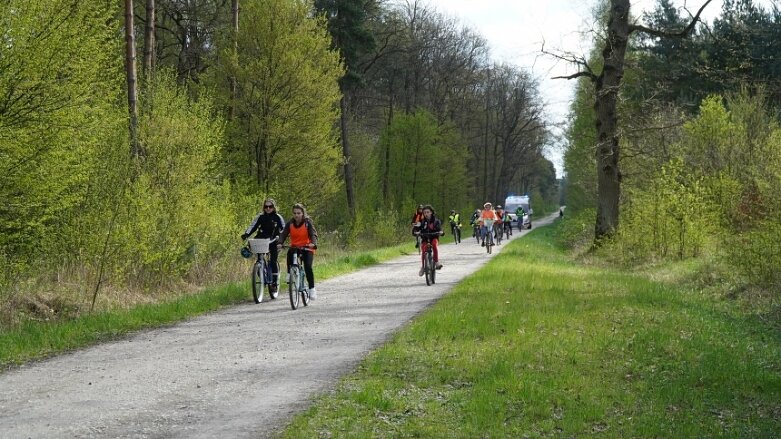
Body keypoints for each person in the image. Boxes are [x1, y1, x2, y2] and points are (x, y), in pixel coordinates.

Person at [241, 198, 285, 294]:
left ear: (274, 207)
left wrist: (281, 239)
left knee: (273, 261)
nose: (268, 208)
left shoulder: (278, 217)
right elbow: (253, 226)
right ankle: (261, 273)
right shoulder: (260, 217)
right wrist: (246, 234)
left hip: (273, 241)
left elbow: (283, 229)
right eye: (266, 206)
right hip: (261, 240)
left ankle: (274, 283)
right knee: (259, 260)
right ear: (264, 208)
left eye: (270, 206)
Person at [277, 203, 319, 299]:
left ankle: (312, 289)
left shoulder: (307, 223)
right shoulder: (290, 223)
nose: (296, 215)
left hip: (307, 248)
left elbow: (313, 234)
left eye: (298, 213)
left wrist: (313, 243)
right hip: (295, 247)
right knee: (290, 252)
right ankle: (289, 273)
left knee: (308, 267)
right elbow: (283, 234)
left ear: (302, 213)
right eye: (295, 213)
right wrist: (280, 242)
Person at [413, 205, 444, 276]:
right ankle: (423, 267)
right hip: (425, 239)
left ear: (431, 212)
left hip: (434, 238)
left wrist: (441, 232)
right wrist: (416, 232)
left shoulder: (436, 221)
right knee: (424, 251)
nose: (426, 214)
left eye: (428, 212)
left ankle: (436, 262)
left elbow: (440, 229)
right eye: (425, 212)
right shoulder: (422, 222)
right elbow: (416, 229)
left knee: (434, 245)